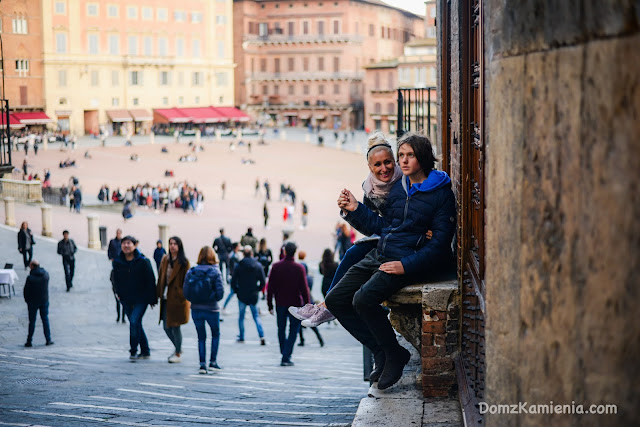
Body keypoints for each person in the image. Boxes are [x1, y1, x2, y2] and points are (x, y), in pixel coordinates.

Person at [325, 132, 456, 390]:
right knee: (335, 300)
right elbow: (384, 226)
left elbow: (440, 246)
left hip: (408, 261)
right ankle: (385, 351)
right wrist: (355, 209)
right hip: (383, 253)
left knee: (362, 299)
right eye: (402, 156)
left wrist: (405, 266)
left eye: (410, 155)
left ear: (424, 157)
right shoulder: (399, 188)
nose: (403, 161)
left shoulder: (441, 194)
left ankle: (392, 354)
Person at [112, 236, 157, 360]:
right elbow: (115, 279)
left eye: (129, 243)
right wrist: (118, 293)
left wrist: (152, 298)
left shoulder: (143, 261)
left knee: (133, 321)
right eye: (124, 243)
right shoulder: (117, 262)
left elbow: (151, 280)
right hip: (125, 298)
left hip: (141, 299)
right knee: (136, 323)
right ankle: (145, 350)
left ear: (135, 245)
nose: (126, 246)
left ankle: (133, 350)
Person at [267, 242, 310, 366]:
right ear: (295, 252)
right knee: (293, 330)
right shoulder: (299, 268)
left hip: (280, 302)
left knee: (281, 328)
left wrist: (269, 304)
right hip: (295, 303)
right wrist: (308, 306)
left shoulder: (276, 267)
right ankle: (286, 355)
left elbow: (271, 288)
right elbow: (304, 288)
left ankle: (284, 352)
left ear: (284, 251)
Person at [183, 246, 225, 374]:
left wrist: (194, 300)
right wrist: (212, 299)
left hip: (196, 308)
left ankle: (202, 364)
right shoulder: (215, 272)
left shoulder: (192, 271)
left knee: (201, 337)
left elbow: (185, 292)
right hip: (212, 308)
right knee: (215, 334)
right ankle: (213, 362)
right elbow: (221, 293)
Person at [156, 236, 191, 364]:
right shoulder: (165, 259)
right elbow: (161, 277)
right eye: (170, 243)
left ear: (179, 246)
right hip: (166, 297)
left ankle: (177, 352)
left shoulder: (184, 262)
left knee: (175, 326)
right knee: (166, 327)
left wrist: (182, 294)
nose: (172, 246)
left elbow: (187, 281)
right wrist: (157, 293)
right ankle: (178, 348)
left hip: (177, 299)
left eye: (175, 244)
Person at [230, 246, 266, 345]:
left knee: (241, 316)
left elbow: (233, 281)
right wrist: (257, 289)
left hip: (242, 293)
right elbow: (263, 282)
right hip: (253, 294)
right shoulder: (258, 266)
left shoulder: (239, 265)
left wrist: (237, 290)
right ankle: (261, 335)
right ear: (252, 253)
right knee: (256, 316)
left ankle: (242, 336)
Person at [296, 250, 324, 347]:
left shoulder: (301, 279)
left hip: (301, 301)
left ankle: (302, 339)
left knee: (300, 321)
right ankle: (319, 338)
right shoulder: (309, 278)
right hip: (308, 300)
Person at [23, 260, 53, 347]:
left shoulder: (30, 278)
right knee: (45, 320)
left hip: (33, 302)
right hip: (44, 301)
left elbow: (26, 291)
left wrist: (27, 300)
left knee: (32, 322)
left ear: (32, 266)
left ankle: (29, 341)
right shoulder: (45, 275)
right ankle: (48, 339)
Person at [108, 229, 126, 323]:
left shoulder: (123, 242)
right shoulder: (112, 241)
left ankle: (123, 317)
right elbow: (111, 279)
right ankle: (119, 316)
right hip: (116, 287)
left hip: (123, 286)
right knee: (118, 301)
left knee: (123, 302)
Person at [222, 242, 242, 311]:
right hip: (234, 278)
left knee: (234, 293)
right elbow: (234, 268)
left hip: (233, 277)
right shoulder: (233, 256)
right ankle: (224, 307)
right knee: (235, 293)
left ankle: (224, 307)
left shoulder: (233, 255)